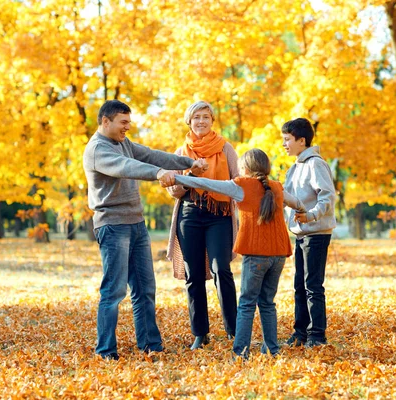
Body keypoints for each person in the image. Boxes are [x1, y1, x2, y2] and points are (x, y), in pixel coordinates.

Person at [83, 99, 208, 360]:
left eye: (129, 121)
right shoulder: (97, 149)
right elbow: (127, 167)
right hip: (113, 225)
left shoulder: (123, 142)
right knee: (114, 291)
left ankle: (151, 345)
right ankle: (105, 351)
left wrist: (187, 162)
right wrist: (157, 173)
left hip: (136, 224)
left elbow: (151, 155)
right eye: (123, 122)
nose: (128, 127)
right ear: (105, 121)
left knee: (145, 289)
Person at [163, 148, 306, 358]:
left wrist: (175, 177)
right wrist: (304, 213)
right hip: (278, 256)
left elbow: (205, 184)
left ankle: (240, 352)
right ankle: (272, 350)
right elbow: (297, 203)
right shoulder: (276, 187)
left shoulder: (241, 186)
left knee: (247, 303)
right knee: (267, 302)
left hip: (256, 254)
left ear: (246, 168)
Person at [165, 100, 239, 350]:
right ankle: (200, 333)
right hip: (190, 215)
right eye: (196, 117)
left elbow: (237, 182)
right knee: (193, 275)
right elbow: (174, 191)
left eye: (206, 117)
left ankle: (233, 330)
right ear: (189, 121)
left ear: (212, 120)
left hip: (219, 215)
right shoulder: (180, 152)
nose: (201, 121)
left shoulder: (225, 148)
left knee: (221, 270)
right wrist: (192, 176)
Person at [281, 118, 337, 348]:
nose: (284, 144)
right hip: (301, 233)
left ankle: (317, 336)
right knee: (299, 286)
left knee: (312, 285)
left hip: (316, 233)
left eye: (287, 140)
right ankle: (300, 333)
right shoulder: (295, 166)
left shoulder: (315, 163)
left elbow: (327, 196)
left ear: (302, 141)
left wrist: (311, 215)